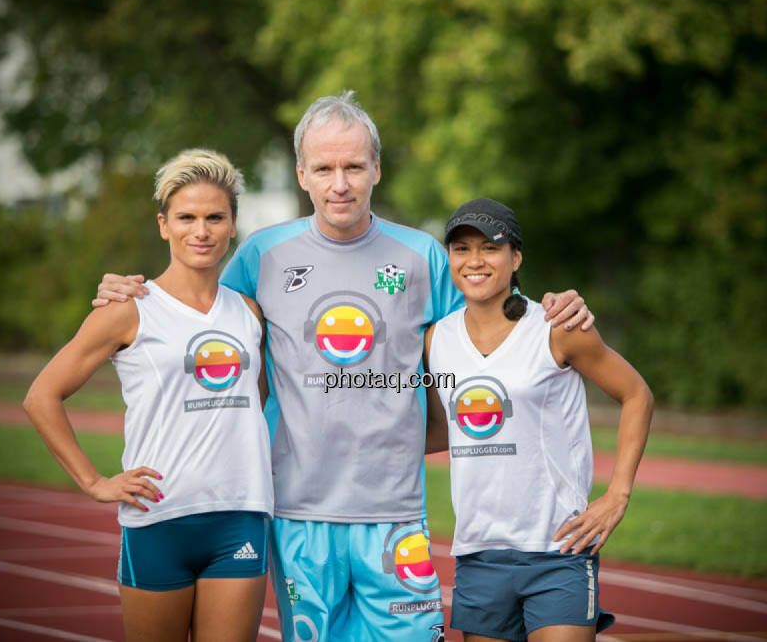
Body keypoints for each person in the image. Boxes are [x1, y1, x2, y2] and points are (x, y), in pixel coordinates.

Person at [93, 91, 594, 641]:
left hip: (397, 515)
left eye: (354, 166)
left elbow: (487, 340)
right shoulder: (261, 255)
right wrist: (128, 288)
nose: (341, 183)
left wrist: (556, 306)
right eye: (325, 168)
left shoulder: (423, 255)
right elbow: (192, 302)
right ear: (302, 174)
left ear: (376, 168)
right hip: (298, 516)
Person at [23, 149, 273, 641]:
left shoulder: (249, 312)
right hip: (160, 519)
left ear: (232, 226)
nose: (200, 231)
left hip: (240, 516)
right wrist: (95, 482)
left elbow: (257, 401)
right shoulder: (128, 308)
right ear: (164, 225)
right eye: (186, 217)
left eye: (214, 217)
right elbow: (41, 396)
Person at [423, 198, 653, 642]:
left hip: (558, 549)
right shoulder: (436, 340)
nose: (474, 261)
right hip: (479, 553)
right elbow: (441, 430)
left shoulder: (557, 327)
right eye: (461, 249)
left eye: (489, 248)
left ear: (516, 258)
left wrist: (617, 495)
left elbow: (636, 394)